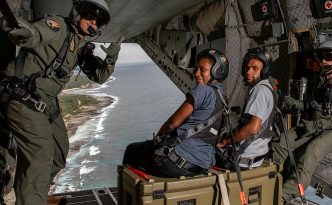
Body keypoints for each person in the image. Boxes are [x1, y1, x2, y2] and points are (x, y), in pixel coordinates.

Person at [0, 0, 121, 204]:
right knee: (40, 154)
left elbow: (99, 76)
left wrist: (112, 56)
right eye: (91, 15)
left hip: (46, 102)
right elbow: (35, 34)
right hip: (22, 96)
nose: (94, 22)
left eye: (98, 21)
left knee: (58, 153)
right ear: (79, 12)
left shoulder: (80, 45)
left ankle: (34, 194)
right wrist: (20, 29)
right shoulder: (58, 26)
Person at [271, 40, 332, 203]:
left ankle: (285, 195)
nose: (324, 60)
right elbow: (313, 106)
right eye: (321, 56)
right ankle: (273, 180)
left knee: (309, 155)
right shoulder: (319, 80)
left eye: (329, 56)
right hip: (313, 126)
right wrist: (295, 103)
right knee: (281, 142)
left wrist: (318, 124)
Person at [122, 49, 229, 177]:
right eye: (196, 69)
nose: (196, 73)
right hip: (200, 166)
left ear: (216, 71)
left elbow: (172, 123)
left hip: (176, 163)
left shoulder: (203, 90)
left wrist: (157, 140)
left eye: (202, 69)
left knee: (131, 150)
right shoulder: (222, 97)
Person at [216, 49, 278, 169]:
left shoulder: (260, 90)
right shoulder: (266, 88)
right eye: (247, 68)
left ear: (264, 71)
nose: (249, 72)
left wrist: (226, 141)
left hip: (244, 159)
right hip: (256, 156)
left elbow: (253, 128)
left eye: (255, 69)